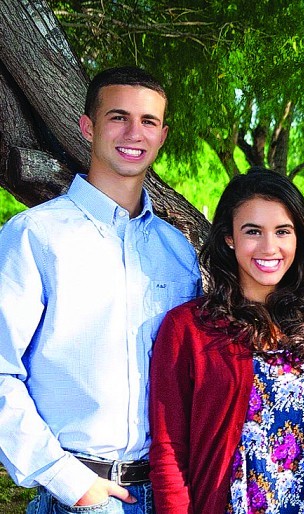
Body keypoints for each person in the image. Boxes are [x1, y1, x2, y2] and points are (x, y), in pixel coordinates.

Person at [0, 66, 200, 513]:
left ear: (162, 136)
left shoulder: (177, 251)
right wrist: (66, 480)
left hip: (166, 493)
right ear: (88, 126)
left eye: (148, 121)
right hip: (77, 495)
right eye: (118, 117)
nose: (134, 132)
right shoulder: (34, 236)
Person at [148, 170, 304, 513]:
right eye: (253, 232)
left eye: (282, 231)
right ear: (229, 237)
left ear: (298, 237)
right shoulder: (188, 329)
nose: (269, 247)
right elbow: (169, 451)